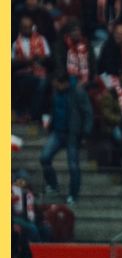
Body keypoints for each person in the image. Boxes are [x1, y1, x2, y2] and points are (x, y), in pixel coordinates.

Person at [40, 72, 93, 206]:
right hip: (58, 132)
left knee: (73, 166)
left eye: (57, 83)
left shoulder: (78, 92)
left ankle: (73, 195)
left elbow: (88, 112)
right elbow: (52, 108)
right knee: (45, 157)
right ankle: (53, 185)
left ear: (65, 83)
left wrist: (85, 132)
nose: (55, 85)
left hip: (72, 134)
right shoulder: (55, 92)